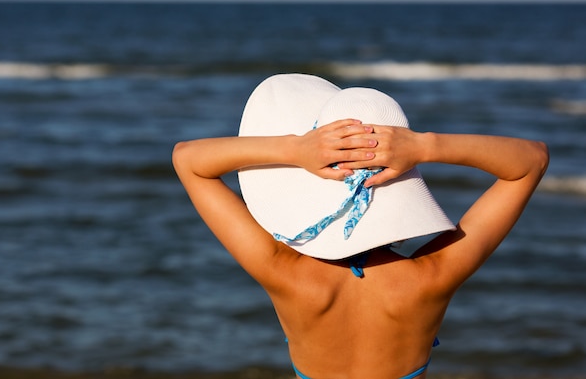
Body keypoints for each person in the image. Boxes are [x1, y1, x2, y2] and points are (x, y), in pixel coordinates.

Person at [172, 74, 548, 379]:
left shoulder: (284, 271)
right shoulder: (434, 274)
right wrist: (425, 146)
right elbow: (531, 161)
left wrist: (296, 150)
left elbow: (188, 159)